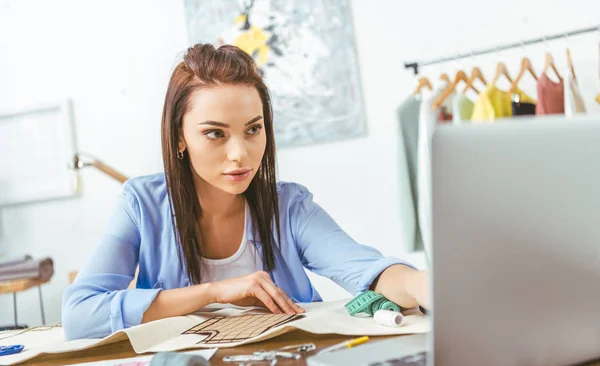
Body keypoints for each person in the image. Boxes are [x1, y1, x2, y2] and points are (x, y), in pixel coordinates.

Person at [62, 44, 428, 340]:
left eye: (253, 130)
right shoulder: (141, 205)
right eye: (215, 133)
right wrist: (215, 291)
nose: (240, 154)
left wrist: (421, 283)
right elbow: (79, 315)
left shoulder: (289, 206)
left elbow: (368, 271)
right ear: (179, 137)